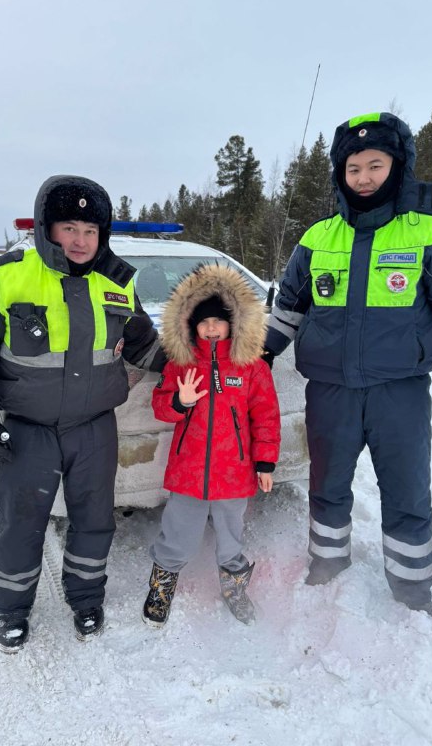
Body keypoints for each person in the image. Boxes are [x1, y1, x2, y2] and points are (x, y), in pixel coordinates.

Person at [263, 112, 432, 616]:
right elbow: (290, 306)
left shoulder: (430, 233)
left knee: (406, 489)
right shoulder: (319, 238)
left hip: (398, 391)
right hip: (330, 391)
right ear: (340, 174)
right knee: (328, 484)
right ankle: (327, 564)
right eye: (354, 168)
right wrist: (265, 350)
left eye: (375, 165)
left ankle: (411, 591)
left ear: (397, 166)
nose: (363, 177)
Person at [0, 175, 166, 653]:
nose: (80, 240)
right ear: (47, 228)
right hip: (29, 430)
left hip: (94, 428)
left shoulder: (114, 281)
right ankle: (11, 609)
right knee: (20, 521)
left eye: (90, 231)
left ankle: (86, 597)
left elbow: (144, 343)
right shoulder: (6, 275)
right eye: (69, 227)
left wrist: (197, 363)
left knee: (95, 519)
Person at [142, 264, 281, 627]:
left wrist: (265, 463)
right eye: (204, 323)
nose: (211, 328)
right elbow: (161, 407)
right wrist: (180, 401)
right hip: (188, 471)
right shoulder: (181, 363)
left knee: (231, 534)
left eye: (218, 321)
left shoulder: (251, 367)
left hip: (234, 470)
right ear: (191, 325)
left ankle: (234, 585)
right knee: (179, 532)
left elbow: (265, 416)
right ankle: (162, 585)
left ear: (233, 323)